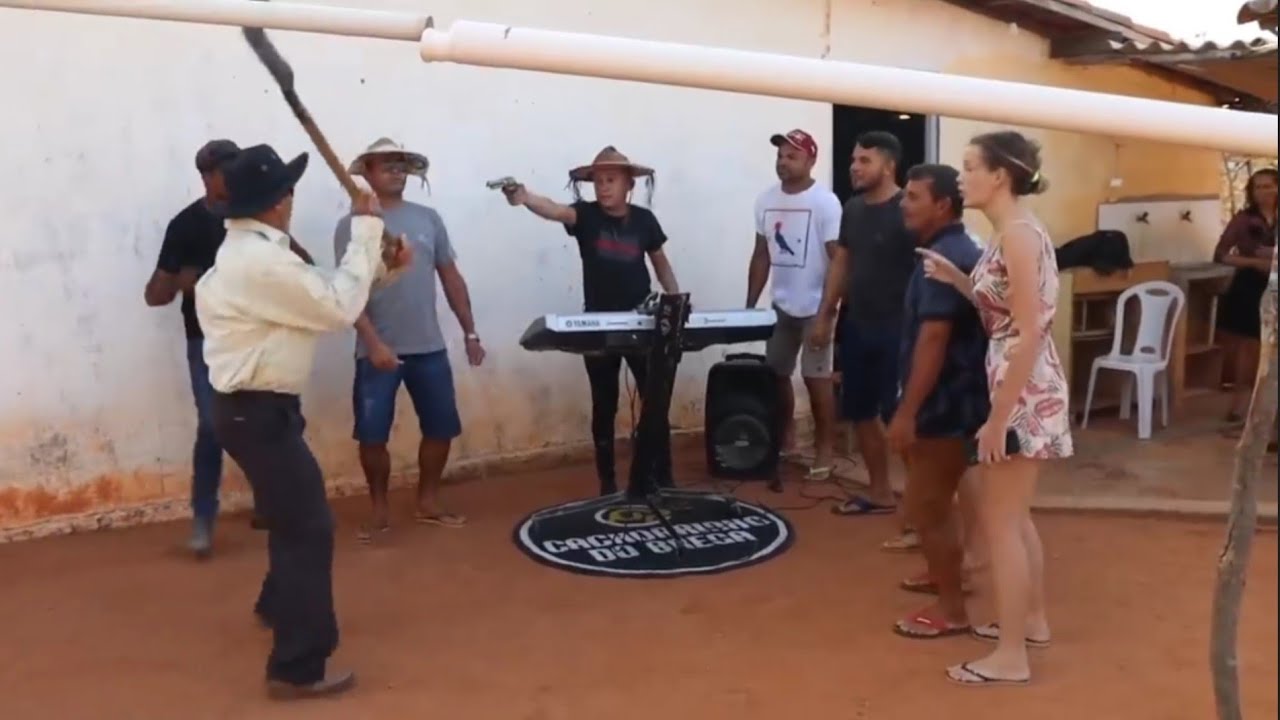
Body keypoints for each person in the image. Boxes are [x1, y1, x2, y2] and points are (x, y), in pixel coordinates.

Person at [196, 143, 411, 699]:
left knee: (292, 518)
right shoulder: (261, 261)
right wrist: (367, 231)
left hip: (254, 411)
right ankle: (296, 667)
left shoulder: (259, 253)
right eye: (289, 191)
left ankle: (277, 605)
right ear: (278, 202)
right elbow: (335, 308)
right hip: (256, 411)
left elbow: (324, 296)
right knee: (308, 528)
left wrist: (382, 268)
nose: (292, 199)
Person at [917, 130, 1072, 687]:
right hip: (1021, 380)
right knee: (1015, 516)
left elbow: (1028, 331)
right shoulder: (1011, 231)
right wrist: (959, 279)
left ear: (999, 175)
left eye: (969, 166)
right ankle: (1030, 623)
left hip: (1021, 388)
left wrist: (999, 417)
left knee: (1001, 522)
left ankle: (1011, 655)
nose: (961, 178)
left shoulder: (1018, 236)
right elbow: (1006, 311)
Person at [502, 146, 680, 495]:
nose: (603, 187)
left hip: (641, 321)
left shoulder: (645, 220)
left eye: (611, 180)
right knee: (605, 404)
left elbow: (660, 261)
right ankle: (608, 482)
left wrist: (675, 301)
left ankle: (662, 476)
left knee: (654, 399)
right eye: (598, 181)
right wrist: (524, 197)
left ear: (628, 183)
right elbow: (554, 210)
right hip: (597, 325)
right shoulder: (585, 216)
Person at [337, 138, 485, 542]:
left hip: (428, 347)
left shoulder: (428, 219)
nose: (396, 171)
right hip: (376, 350)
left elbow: (450, 276)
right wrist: (372, 343)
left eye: (401, 165)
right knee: (372, 435)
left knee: (440, 428)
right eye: (386, 165)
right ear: (367, 172)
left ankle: (428, 501)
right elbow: (347, 291)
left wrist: (470, 331)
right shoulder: (353, 225)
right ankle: (379, 508)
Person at [144, 139, 277, 557]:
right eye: (225, 170)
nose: (234, 177)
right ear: (207, 177)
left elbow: (295, 262)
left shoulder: (259, 214)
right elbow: (154, 295)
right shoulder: (185, 226)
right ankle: (203, 520)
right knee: (213, 428)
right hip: (207, 342)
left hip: (258, 337)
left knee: (268, 420)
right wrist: (182, 281)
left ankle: (269, 503)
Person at [884, 164, 989, 641]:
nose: (903, 204)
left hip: (946, 403)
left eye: (912, 197)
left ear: (942, 205)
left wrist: (907, 413)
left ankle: (952, 609)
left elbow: (934, 339)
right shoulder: (949, 250)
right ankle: (941, 574)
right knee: (934, 499)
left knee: (927, 504)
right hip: (949, 398)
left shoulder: (945, 258)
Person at [809, 131, 918, 547]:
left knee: (902, 422)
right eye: (853, 159)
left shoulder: (908, 207)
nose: (854, 166)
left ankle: (921, 513)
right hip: (857, 325)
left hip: (900, 329)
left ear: (888, 166)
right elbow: (843, 261)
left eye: (864, 160)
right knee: (860, 411)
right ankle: (880, 492)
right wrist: (826, 316)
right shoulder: (852, 208)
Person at [745, 129, 843, 479]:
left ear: (811, 160)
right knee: (776, 375)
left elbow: (838, 260)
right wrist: (748, 308)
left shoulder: (825, 203)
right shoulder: (765, 200)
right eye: (781, 156)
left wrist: (828, 314)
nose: (783, 162)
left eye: (792, 156)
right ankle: (786, 441)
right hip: (781, 306)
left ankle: (825, 449)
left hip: (817, 305)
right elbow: (761, 256)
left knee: (817, 379)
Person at [1215, 167, 1277, 433]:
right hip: (1250, 286)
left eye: (1268, 186)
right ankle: (1240, 405)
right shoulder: (1243, 219)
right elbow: (1221, 254)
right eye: (1258, 187)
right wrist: (1253, 261)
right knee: (1249, 348)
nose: (1263, 192)